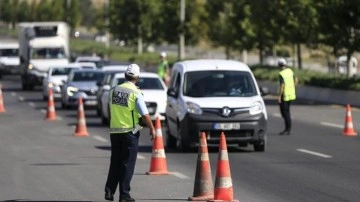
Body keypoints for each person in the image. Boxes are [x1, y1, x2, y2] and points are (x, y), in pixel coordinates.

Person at [105, 64, 156, 202]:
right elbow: (144, 115)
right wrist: (152, 128)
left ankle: (109, 191)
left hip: (115, 132)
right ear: (137, 77)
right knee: (127, 164)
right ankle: (124, 195)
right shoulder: (135, 93)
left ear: (125, 76)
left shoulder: (114, 91)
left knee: (115, 162)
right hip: (129, 132)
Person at [277, 58, 298, 135]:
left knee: (284, 113)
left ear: (279, 65)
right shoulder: (290, 71)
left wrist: (279, 96)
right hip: (291, 94)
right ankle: (288, 128)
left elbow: (282, 85)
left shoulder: (281, 74)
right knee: (287, 112)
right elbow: (296, 80)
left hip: (284, 95)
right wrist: (293, 87)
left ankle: (287, 129)